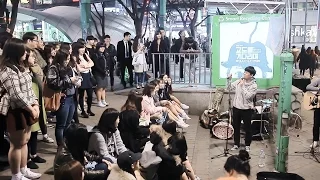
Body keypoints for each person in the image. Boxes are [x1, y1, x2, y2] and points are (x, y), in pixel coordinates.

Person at [0, 38, 41, 180]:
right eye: (23, 51)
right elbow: (16, 95)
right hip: (15, 110)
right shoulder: (7, 70)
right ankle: (16, 175)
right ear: (15, 52)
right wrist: (32, 109)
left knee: (25, 140)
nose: (26, 53)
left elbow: (29, 88)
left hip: (27, 107)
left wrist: (36, 104)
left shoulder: (20, 66)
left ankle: (24, 169)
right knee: (16, 144)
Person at [47, 49, 78, 146]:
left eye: (69, 59)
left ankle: (66, 144)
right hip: (62, 98)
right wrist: (69, 81)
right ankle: (60, 146)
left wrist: (76, 79)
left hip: (71, 97)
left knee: (68, 123)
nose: (68, 61)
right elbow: (52, 83)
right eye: (66, 59)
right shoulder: (54, 68)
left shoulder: (68, 67)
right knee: (61, 124)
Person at [24, 49, 47, 169]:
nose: (35, 59)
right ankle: (27, 159)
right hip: (28, 106)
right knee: (28, 134)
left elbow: (41, 79)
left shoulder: (32, 70)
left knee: (34, 132)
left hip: (37, 101)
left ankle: (34, 154)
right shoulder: (22, 72)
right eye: (32, 57)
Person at [228, 66, 257, 152]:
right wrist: (229, 80)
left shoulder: (254, 85)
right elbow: (229, 88)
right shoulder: (239, 81)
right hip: (236, 107)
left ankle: (247, 145)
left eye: (246, 73)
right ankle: (236, 144)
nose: (244, 74)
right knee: (236, 127)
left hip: (246, 109)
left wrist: (243, 86)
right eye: (244, 72)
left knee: (247, 128)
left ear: (251, 75)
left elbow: (248, 97)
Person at [72, 42, 95, 118]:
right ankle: (83, 111)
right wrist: (87, 66)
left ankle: (89, 109)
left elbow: (92, 63)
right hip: (82, 76)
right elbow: (78, 69)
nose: (83, 49)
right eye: (81, 48)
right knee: (81, 95)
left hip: (88, 75)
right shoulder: (75, 57)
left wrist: (85, 66)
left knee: (90, 94)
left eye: (83, 47)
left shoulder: (85, 55)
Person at [92, 42, 109, 107]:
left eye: (103, 47)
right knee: (99, 88)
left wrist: (106, 70)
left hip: (104, 72)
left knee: (104, 87)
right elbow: (96, 65)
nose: (103, 48)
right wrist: (102, 71)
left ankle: (103, 100)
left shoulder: (104, 54)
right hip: (98, 73)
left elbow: (106, 63)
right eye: (101, 47)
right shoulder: (95, 55)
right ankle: (99, 101)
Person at [306, 79, 320, 148]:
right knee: (316, 124)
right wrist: (318, 88)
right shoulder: (319, 80)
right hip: (318, 106)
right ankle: (315, 141)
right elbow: (308, 87)